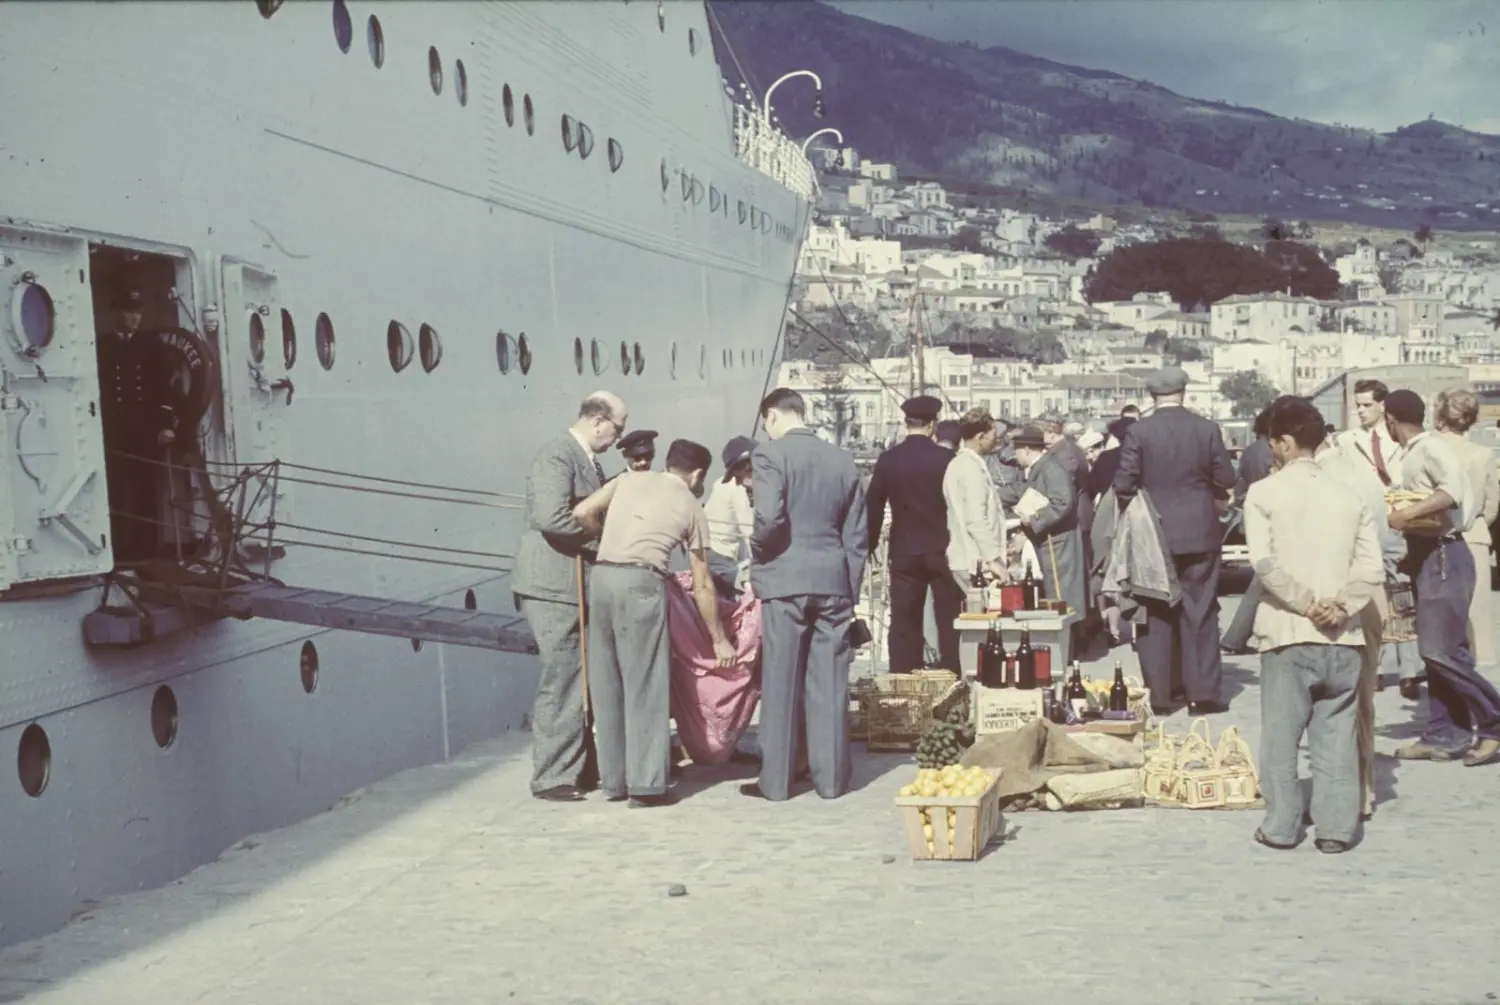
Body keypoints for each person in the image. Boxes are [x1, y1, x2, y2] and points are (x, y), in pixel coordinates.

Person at [1244, 396, 1382, 854]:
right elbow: (1371, 568)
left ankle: (1282, 826)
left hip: (1287, 633)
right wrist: (1340, 606)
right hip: (1345, 636)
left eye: (1272, 442)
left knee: (1281, 737)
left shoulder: (1264, 493)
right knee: (1337, 736)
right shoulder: (1349, 494)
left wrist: (1307, 605)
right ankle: (1336, 829)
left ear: (1283, 443)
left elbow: (1265, 565)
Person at [572, 439, 733, 808]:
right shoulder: (692, 504)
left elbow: (582, 513)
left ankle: (614, 782)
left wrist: (609, 539)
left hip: (602, 578)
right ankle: (646, 786)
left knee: (607, 681)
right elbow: (703, 582)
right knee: (645, 683)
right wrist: (719, 639)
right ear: (696, 475)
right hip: (642, 584)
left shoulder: (629, 478)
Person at [745, 389, 867, 802]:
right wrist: (850, 588)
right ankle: (831, 781)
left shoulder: (769, 455)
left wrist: (761, 553)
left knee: (780, 680)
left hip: (784, 578)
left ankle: (776, 782)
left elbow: (768, 516)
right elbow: (857, 536)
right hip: (833, 579)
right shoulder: (843, 460)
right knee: (831, 682)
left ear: (772, 415)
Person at [512, 391, 628, 802]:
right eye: (618, 429)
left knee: (580, 676)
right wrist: (605, 540)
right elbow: (552, 517)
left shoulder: (585, 460)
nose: (618, 438)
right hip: (553, 586)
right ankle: (552, 776)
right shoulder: (558, 456)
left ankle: (579, 765)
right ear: (598, 421)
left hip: (572, 584)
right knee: (562, 676)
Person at [1385, 389, 1500, 767]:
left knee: (1439, 650)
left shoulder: (1431, 448)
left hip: (1446, 555)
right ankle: (1445, 733)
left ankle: (1494, 722)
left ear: (1390, 419)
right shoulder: (1414, 450)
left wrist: (1406, 514)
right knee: (1439, 650)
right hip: (1427, 555)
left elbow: (1451, 492)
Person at [1114, 366, 1236, 714]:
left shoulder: (1139, 431)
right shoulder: (1206, 429)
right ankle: (1203, 695)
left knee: (1155, 611)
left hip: (1153, 535)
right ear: (1184, 392)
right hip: (1200, 531)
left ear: (1152, 396)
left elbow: (1123, 483)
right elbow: (1226, 477)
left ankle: (1162, 696)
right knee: (1200, 610)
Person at [866, 395, 961, 672]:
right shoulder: (947, 459)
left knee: (904, 622)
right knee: (949, 620)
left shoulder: (888, 460)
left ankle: (902, 683)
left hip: (904, 549)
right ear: (932, 424)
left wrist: (870, 544)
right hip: (942, 549)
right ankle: (951, 678)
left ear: (906, 423)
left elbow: (873, 506)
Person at [97, 288, 179, 562]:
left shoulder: (150, 345)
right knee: (117, 491)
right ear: (116, 314)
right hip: (114, 431)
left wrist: (166, 425)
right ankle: (119, 550)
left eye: (138, 313)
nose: (134, 318)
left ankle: (148, 552)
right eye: (129, 312)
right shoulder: (103, 346)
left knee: (146, 491)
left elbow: (164, 386)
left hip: (145, 430)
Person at [1433, 389, 1500, 668]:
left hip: (1434, 537)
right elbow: (1493, 505)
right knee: (1476, 615)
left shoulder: (1429, 449)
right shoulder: (1483, 455)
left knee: (1440, 614)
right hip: (1474, 536)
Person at [1009, 426, 1086, 618]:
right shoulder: (1039, 467)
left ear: (1026, 449)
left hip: (1057, 542)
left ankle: (1068, 643)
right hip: (1050, 539)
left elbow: (1062, 502)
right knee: (1052, 590)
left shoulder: (1051, 468)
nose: (1015, 455)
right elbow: (1021, 490)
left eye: (1016, 450)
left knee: (1060, 595)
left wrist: (1034, 519)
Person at [1221, 405, 1279, 654]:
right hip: (1274, 517)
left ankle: (1236, 637)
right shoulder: (1272, 452)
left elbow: (1240, 488)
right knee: (1263, 579)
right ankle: (1235, 636)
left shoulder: (1250, 453)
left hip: (1252, 516)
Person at [943, 408, 1008, 598]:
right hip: (976, 561)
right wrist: (993, 560)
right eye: (993, 435)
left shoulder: (959, 464)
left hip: (967, 557)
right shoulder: (971, 469)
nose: (997, 440)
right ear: (980, 436)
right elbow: (976, 520)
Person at [702, 435, 756, 597]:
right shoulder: (737, 488)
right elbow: (749, 532)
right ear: (747, 467)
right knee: (751, 588)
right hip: (721, 554)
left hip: (708, 551)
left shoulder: (721, 482)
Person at [1336, 379, 1404, 488]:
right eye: (1358, 405)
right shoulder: (1345, 440)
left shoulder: (1401, 436)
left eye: (1367, 405)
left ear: (1383, 405)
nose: (1360, 410)